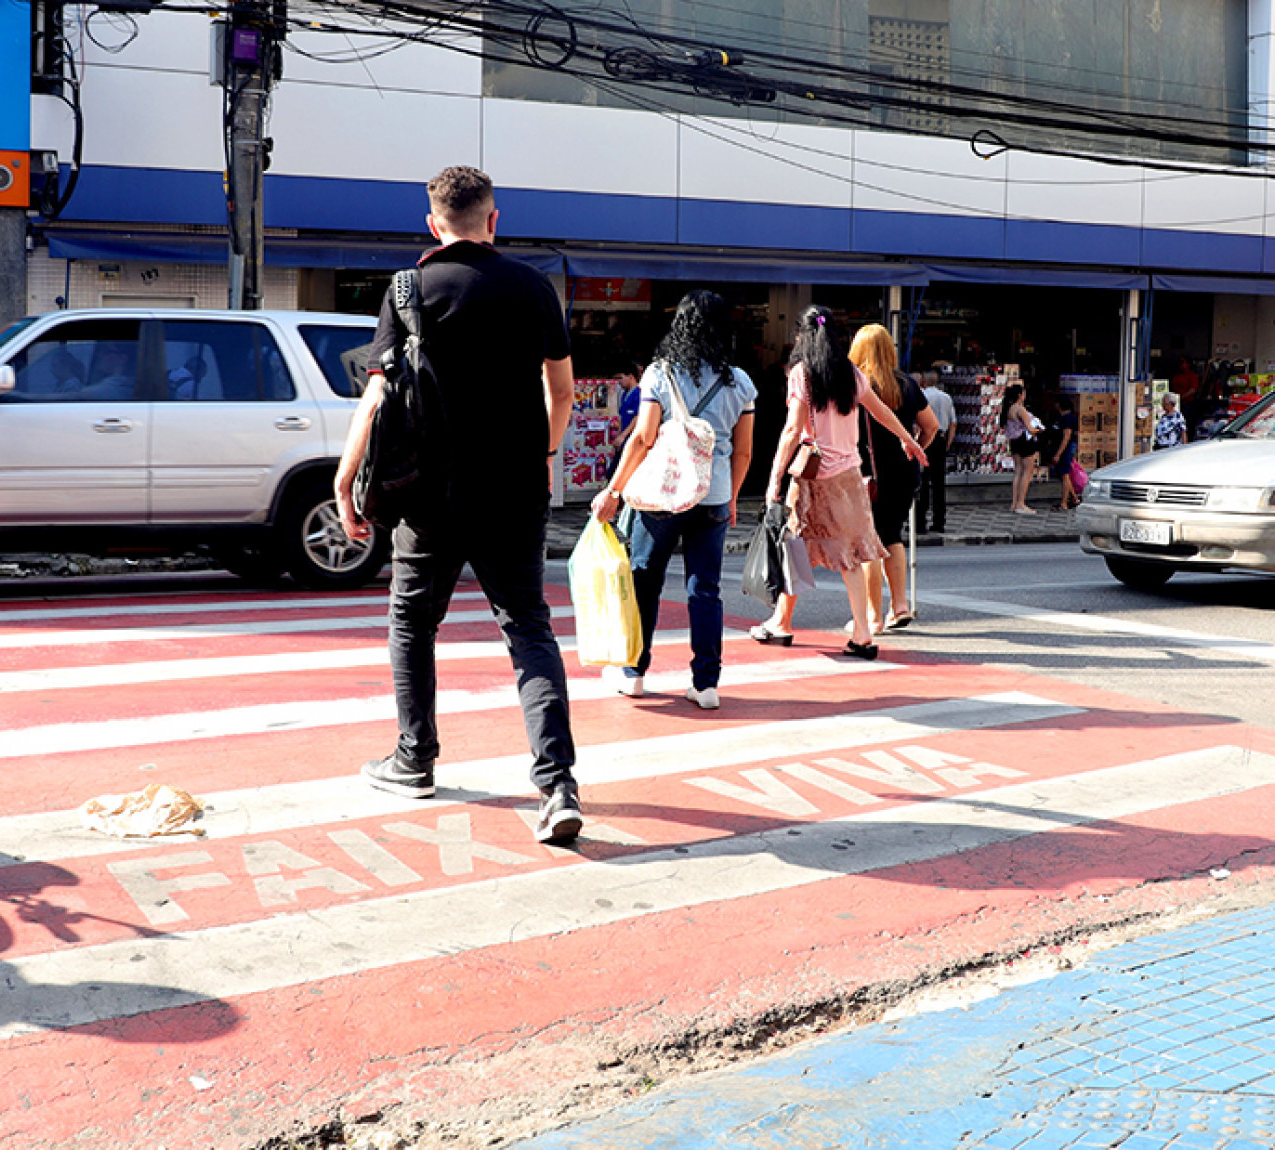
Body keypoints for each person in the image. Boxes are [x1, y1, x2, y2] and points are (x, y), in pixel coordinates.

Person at [333, 165, 584, 846]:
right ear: (493, 220)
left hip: (429, 494)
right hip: (514, 492)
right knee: (528, 628)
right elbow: (560, 392)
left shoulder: (409, 287)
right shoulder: (534, 288)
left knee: (413, 621)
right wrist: (542, 453)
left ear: (433, 224)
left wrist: (346, 476)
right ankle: (557, 784)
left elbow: (381, 394)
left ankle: (414, 759)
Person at [591, 291, 756, 710]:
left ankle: (634, 673)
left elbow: (644, 439)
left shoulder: (660, 374)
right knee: (706, 590)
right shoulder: (740, 382)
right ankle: (706, 684)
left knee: (645, 580)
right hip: (714, 495)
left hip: (663, 497)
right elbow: (744, 452)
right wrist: (732, 497)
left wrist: (613, 491)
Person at [763, 306, 928, 659]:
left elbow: (793, 429)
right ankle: (863, 634)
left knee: (795, 547)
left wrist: (775, 476)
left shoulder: (801, 374)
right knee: (851, 555)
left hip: (810, 477)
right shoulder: (851, 374)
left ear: (803, 337)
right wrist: (908, 439)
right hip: (850, 476)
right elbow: (881, 410)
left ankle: (781, 622)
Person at [849, 325, 936, 634]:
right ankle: (899, 605)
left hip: (868, 475)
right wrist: (916, 449)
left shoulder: (857, 384)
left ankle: (872, 616)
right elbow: (932, 426)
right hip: (904, 472)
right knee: (892, 535)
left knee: (868, 542)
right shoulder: (907, 384)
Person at [915, 371, 956, 534]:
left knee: (922, 482)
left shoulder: (922, 395)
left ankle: (920, 522)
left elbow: (918, 421)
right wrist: (948, 443)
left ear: (924, 381)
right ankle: (939, 521)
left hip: (926, 437)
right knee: (939, 483)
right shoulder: (946, 397)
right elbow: (953, 423)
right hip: (941, 438)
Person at [1003, 383, 1039, 515]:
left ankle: (1014, 503)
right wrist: (1038, 430)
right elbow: (1029, 428)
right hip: (1025, 441)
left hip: (1015, 442)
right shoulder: (1020, 409)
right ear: (1020, 395)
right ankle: (1021, 503)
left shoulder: (1009, 409)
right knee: (1027, 472)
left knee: (1018, 471)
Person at [1048, 394, 1079, 510]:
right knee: (1063, 474)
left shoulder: (1067, 418)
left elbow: (1066, 437)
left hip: (1065, 449)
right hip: (1063, 448)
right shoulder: (1062, 417)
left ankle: (1064, 503)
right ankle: (1074, 498)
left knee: (1065, 474)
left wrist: (1058, 454)